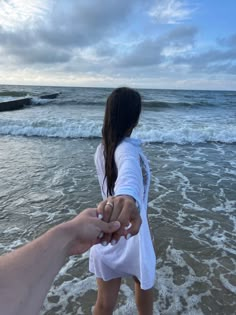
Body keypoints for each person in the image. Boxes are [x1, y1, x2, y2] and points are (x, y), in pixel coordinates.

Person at [0, 195, 141, 315]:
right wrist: (127, 196)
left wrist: (71, 235)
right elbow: (127, 170)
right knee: (138, 287)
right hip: (122, 234)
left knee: (106, 302)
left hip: (108, 238)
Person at [89, 87, 156, 315]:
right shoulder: (126, 148)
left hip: (108, 235)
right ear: (134, 117)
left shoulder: (102, 148)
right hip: (133, 236)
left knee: (104, 305)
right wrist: (127, 197)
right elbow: (128, 170)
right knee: (144, 305)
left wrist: (123, 198)